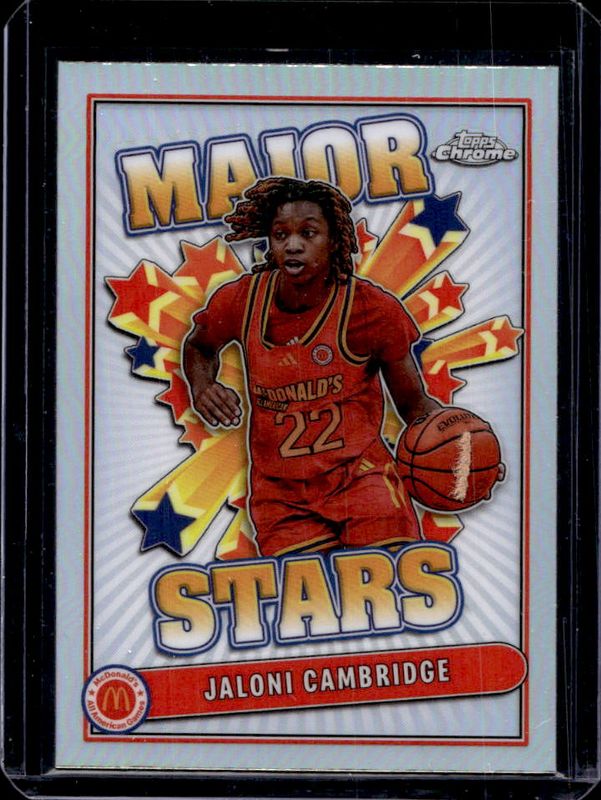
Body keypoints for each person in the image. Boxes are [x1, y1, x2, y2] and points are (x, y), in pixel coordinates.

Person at [183, 177, 441, 557]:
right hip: (281, 493)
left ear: (334, 240)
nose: (292, 245)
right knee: (304, 593)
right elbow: (199, 346)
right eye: (280, 234)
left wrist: (464, 451)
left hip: (361, 477)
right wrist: (203, 386)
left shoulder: (371, 309)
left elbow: (414, 404)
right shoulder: (241, 300)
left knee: (386, 584)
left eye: (308, 233)